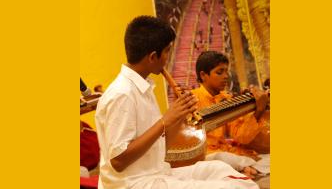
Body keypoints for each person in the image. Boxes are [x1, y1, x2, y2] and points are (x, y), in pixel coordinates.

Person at [95, 16, 259, 189]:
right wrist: (165, 121)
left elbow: (159, 147)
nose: (168, 58)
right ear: (152, 57)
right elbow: (119, 161)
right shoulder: (122, 94)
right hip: (134, 184)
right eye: (167, 52)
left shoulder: (144, 88)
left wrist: (178, 117)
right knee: (234, 188)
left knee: (221, 170)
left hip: (157, 173)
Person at [192, 51, 270, 178]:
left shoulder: (227, 98)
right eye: (219, 72)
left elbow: (241, 136)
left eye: (226, 71)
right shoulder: (191, 99)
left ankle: (244, 168)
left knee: (268, 158)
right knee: (222, 158)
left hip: (226, 151)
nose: (226, 76)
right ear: (203, 75)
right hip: (205, 155)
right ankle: (244, 168)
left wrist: (258, 111)